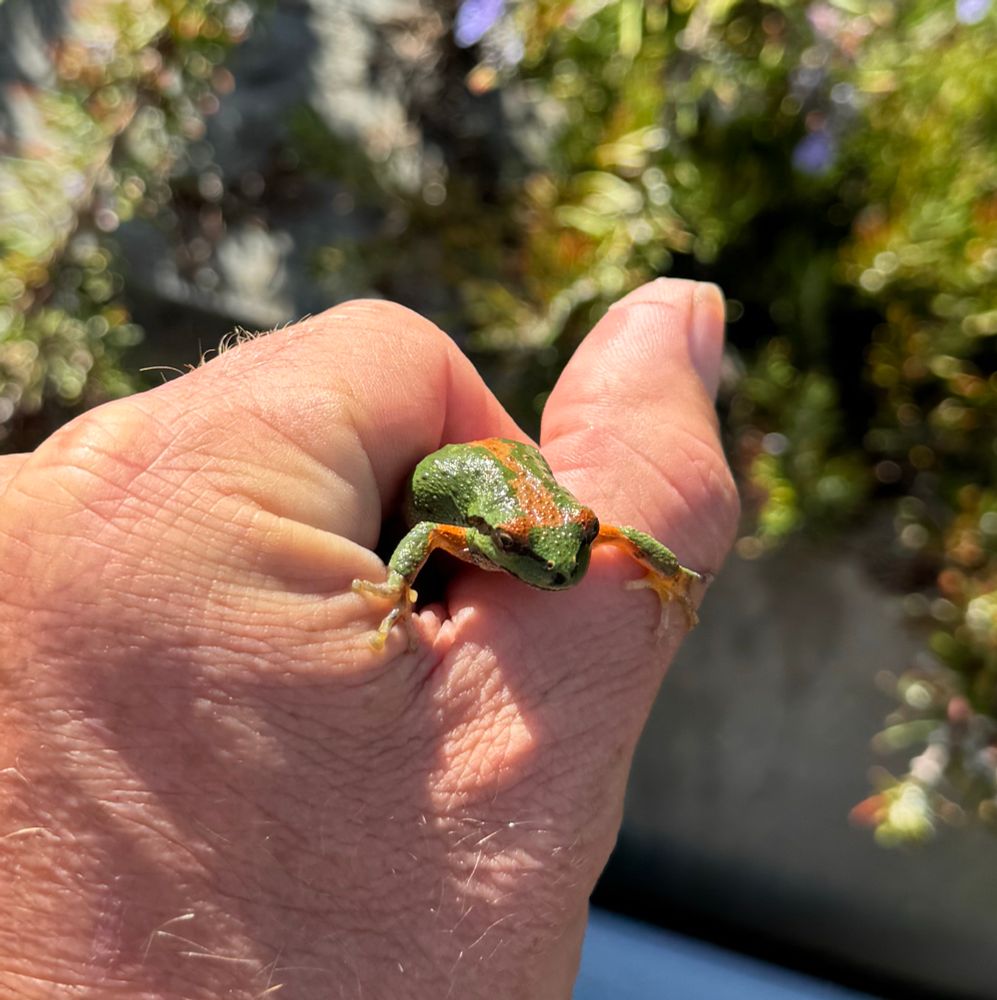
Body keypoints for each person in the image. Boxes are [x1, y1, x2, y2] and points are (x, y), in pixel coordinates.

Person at [0, 279, 737, 997]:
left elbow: (614, 534)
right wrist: (394, 587)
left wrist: (671, 573)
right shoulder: (473, 534)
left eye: (578, 537)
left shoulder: (561, 533)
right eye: (520, 548)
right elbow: (425, 531)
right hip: (457, 497)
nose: (565, 568)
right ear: (495, 539)